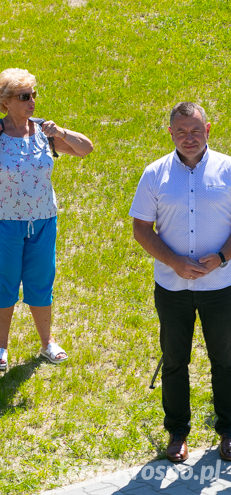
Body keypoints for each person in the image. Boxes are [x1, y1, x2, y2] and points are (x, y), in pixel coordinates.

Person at [0, 68, 93, 370]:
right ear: (5, 102)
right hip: (3, 221)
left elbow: (86, 149)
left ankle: (47, 342)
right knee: (5, 284)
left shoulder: (44, 132)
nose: (32, 101)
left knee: (41, 282)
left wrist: (61, 132)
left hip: (42, 219)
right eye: (25, 96)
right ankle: (0, 347)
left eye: (34, 95)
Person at [130, 102, 231, 463]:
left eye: (196, 130)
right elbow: (141, 228)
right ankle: (177, 432)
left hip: (222, 287)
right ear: (170, 133)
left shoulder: (229, 169)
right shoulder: (154, 174)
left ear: (209, 129)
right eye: (181, 131)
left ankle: (229, 431)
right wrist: (174, 262)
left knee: (226, 359)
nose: (189, 138)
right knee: (174, 360)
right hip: (172, 288)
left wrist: (221, 257)